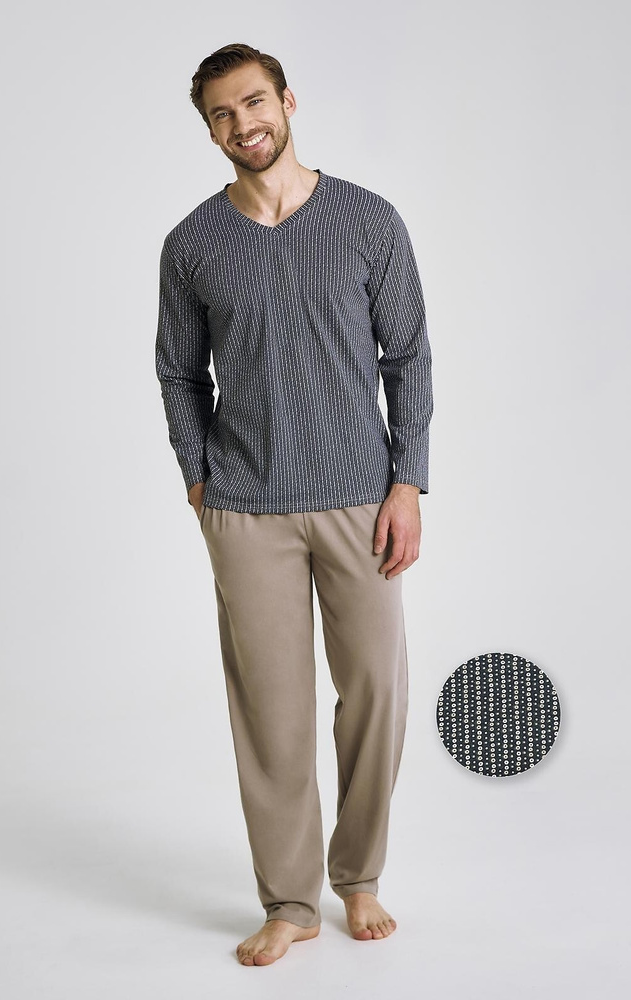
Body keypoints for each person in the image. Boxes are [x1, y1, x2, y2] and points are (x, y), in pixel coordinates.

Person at [155, 42, 433, 967]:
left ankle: (357, 877)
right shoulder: (193, 244)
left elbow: (408, 357)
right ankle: (289, 901)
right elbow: (177, 372)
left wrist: (407, 481)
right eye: (222, 114)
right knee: (271, 717)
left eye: (254, 102)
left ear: (287, 101)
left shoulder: (367, 220)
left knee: (377, 693)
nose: (243, 124)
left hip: (361, 499)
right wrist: (199, 479)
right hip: (246, 508)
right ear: (210, 132)